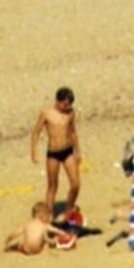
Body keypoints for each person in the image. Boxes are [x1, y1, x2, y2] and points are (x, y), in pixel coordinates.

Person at [29, 86, 81, 216]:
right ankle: (48, 215)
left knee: (76, 184)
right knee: (52, 186)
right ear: (58, 101)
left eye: (69, 105)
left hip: (68, 151)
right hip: (53, 153)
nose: (67, 107)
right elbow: (36, 132)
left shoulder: (70, 113)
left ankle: (69, 209)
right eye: (65, 104)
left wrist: (78, 150)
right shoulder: (47, 114)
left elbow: (72, 132)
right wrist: (34, 151)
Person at [4, 201, 76, 255]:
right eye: (47, 216)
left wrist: (7, 241)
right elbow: (56, 230)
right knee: (45, 243)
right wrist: (66, 234)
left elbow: (13, 234)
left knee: (20, 243)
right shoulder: (44, 225)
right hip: (38, 250)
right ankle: (47, 250)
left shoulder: (27, 224)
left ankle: (10, 248)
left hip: (26, 250)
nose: (49, 219)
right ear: (42, 216)